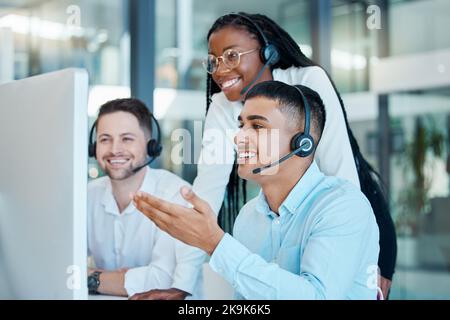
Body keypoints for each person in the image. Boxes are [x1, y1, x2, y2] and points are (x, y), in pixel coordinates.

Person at [192, 12, 396, 297]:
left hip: (353, 205)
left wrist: (361, 260)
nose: (220, 69)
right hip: (293, 215)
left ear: (268, 52)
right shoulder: (221, 106)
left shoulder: (308, 81)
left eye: (232, 56)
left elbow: (341, 170)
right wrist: (180, 283)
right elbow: (207, 190)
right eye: (213, 61)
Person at [133, 81, 380, 299]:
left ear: (302, 144)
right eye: (241, 125)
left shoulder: (343, 206)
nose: (239, 138)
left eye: (258, 127)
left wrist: (215, 243)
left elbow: (317, 297)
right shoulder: (250, 216)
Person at [87, 98, 205, 299]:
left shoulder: (176, 195)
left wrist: (91, 277)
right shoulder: (88, 195)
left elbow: (162, 282)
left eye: (127, 139)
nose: (114, 149)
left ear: (151, 146)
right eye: (105, 139)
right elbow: (61, 267)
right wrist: (117, 279)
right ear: (94, 147)